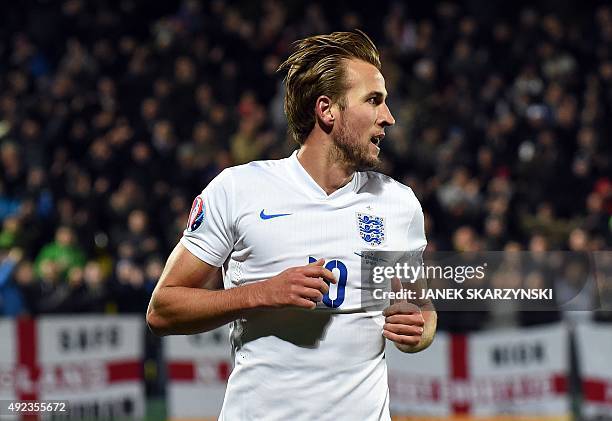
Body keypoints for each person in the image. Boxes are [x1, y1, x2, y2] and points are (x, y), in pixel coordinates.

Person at [147, 30, 437, 421]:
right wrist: (262, 293)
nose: (388, 117)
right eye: (373, 100)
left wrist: (420, 329)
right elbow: (162, 310)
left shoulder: (397, 203)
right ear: (327, 110)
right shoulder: (239, 190)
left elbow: (421, 307)